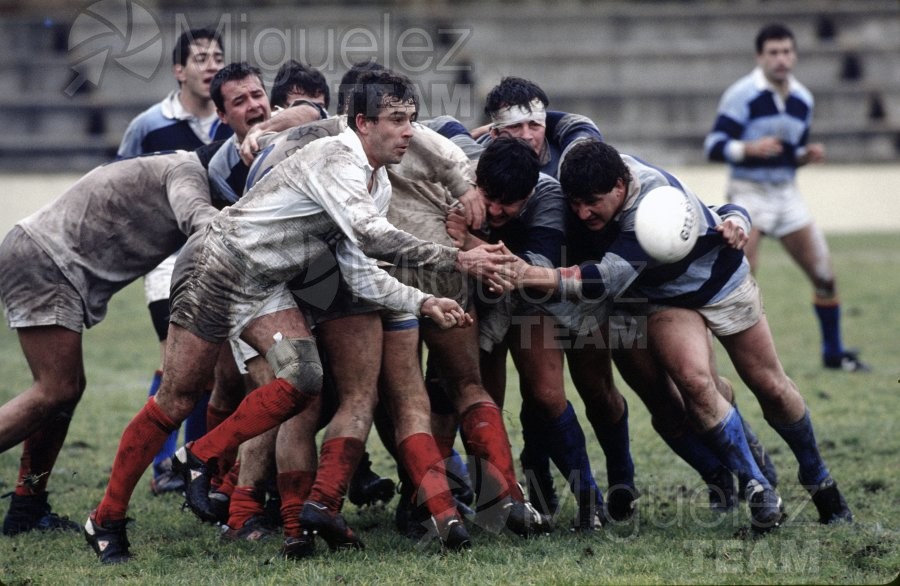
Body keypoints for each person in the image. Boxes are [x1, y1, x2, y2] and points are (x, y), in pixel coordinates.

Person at [83, 69, 518, 564]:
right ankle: (107, 518)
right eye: (396, 120)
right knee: (179, 397)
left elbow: (360, 272)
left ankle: (200, 456)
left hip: (261, 282)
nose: (408, 133)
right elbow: (372, 235)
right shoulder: (337, 158)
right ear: (362, 123)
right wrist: (457, 258)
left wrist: (422, 302)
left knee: (304, 376)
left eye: (412, 120)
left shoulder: (374, 185)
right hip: (216, 265)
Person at [510, 138, 853, 531]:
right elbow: (559, 122)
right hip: (659, 299)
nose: (582, 212)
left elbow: (605, 278)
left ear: (620, 187)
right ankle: (755, 486)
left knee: (770, 386)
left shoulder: (650, 203)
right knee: (691, 384)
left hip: (721, 281)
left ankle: (818, 478)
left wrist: (530, 274)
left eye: (592, 201)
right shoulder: (595, 170)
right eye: (575, 202)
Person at [0, 147, 221, 536]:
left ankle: (27, 506)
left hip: (44, 255)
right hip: (45, 259)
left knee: (65, 391)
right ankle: (26, 506)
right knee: (55, 390)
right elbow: (201, 221)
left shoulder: (183, 164)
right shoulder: (190, 172)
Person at [704, 23, 868, 373]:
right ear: (760, 57)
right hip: (749, 194)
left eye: (786, 51)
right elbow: (713, 146)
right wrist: (748, 148)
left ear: (794, 54)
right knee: (737, 283)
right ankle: (712, 363)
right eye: (773, 52)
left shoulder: (802, 99)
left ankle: (834, 353)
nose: (781, 59)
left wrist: (803, 156)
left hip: (786, 195)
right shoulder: (742, 94)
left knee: (825, 277)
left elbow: (787, 153)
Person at [116, 27, 233, 495]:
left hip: (222, 258)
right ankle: (164, 464)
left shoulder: (234, 118)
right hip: (167, 261)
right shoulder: (148, 125)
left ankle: (193, 460)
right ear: (178, 70)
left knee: (211, 368)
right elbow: (122, 185)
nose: (211, 65)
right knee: (178, 360)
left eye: (217, 57)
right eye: (200, 58)